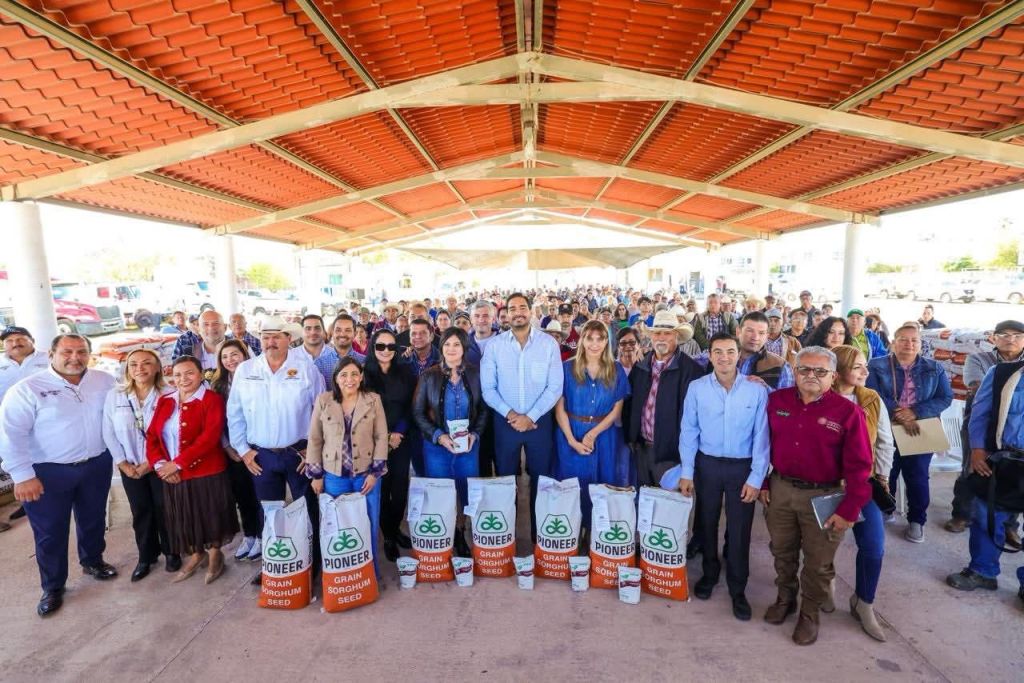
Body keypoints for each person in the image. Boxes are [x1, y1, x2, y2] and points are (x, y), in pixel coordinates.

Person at [760, 346, 872, 645]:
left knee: (818, 562)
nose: (811, 375)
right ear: (794, 372)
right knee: (781, 551)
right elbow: (761, 446)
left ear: (833, 376)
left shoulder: (848, 412)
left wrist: (849, 509)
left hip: (825, 495)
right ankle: (785, 598)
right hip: (781, 489)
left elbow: (860, 466)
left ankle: (809, 614)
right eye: (804, 369)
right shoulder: (777, 401)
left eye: (820, 371)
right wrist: (764, 483)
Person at [1, 335, 117, 616]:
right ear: (51, 354)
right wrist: (22, 475)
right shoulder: (27, 389)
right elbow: (11, 434)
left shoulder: (104, 381)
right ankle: (53, 586)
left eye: (81, 352)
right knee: (50, 531)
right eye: (67, 352)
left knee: (93, 519)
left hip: (96, 465)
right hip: (47, 472)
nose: (75, 358)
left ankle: (93, 561)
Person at [226, 316, 326, 584]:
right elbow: (235, 413)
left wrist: (313, 449)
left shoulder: (306, 369)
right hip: (261, 455)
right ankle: (275, 563)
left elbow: (321, 412)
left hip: (299, 453)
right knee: (268, 511)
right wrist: (243, 450)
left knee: (308, 508)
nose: (270, 342)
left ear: (288, 339)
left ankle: (313, 563)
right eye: (265, 337)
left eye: (276, 337)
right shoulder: (246, 370)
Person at [678, 332, 769, 621]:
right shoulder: (697, 388)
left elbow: (762, 436)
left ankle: (738, 588)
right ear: (710, 355)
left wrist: (756, 478)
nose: (724, 357)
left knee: (740, 530)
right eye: (718, 351)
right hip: (707, 465)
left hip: (742, 468)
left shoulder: (755, 390)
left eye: (730, 351)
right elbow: (689, 430)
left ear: (739, 355)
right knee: (706, 523)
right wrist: (687, 471)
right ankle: (709, 573)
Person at [147, 356, 238, 584]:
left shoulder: (212, 399)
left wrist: (177, 463)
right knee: (185, 517)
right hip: (173, 473)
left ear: (200, 374)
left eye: (189, 373)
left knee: (210, 514)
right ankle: (197, 554)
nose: (183, 379)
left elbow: (210, 437)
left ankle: (215, 555)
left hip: (206, 471)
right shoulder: (165, 400)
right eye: (178, 374)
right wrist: (160, 466)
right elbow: (152, 436)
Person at [480, 292, 563, 540]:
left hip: (540, 424)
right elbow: (488, 389)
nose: (518, 312)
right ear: (506, 314)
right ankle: (506, 538)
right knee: (506, 482)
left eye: (522, 307)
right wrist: (512, 414)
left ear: (531, 311)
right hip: (505, 422)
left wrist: (531, 416)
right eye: (513, 308)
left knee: (542, 480)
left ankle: (541, 539)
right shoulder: (495, 346)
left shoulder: (548, 344)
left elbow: (555, 387)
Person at [945, 356, 1024, 601]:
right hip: (1004, 459)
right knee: (986, 516)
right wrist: (978, 449)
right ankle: (983, 571)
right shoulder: (1001, 373)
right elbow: (980, 413)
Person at [867, 322, 953, 543]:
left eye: (914, 340)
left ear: (921, 344)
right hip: (886, 427)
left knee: (917, 476)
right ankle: (886, 509)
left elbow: (945, 398)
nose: (909, 344)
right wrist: (899, 413)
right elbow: (871, 394)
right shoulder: (876, 365)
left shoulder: (934, 367)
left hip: (920, 427)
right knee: (885, 471)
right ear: (893, 343)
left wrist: (915, 412)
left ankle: (917, 520)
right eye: (903, 339)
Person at [830, 345, 893, 641]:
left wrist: (882, 475)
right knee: (823, 543)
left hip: (862, 484)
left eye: (865, 365)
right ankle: (825, 582)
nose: (866, 372)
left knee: (873, 546)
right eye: (857, 367)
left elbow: (884, 442)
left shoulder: (871, 399)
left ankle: (864, 602)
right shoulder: (819, 397)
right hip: (826, 485)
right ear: (839, 370)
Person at [307, 357, 388, 577]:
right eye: (343, 375)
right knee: (337, 525)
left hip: (366, 476)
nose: (349, 379)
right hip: (334, 476)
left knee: (368, 524)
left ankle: (369, 575)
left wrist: (375, 473)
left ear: (361, 377)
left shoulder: (373, 400)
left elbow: (381, 437)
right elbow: (315, 438)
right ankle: (341, 576)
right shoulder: (324, 400)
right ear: (336, 378)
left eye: (354, 374)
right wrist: (316, 475)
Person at [102, 349, 178, 581]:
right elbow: (108, 431)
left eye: (146, 363)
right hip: (130, 467)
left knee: (165, 509)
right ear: (127, 369)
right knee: (140, 511)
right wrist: (122, 462)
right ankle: (146, 556)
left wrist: (151, 463)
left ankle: (172, 551)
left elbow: (173, 433)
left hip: (160, 465)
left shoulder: (170, 393)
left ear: (157, 367)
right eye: (134, 364)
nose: (140, 368)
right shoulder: (116, 395)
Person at [414, 328, 487, 558]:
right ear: (441, 347)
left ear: (464, 348)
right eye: (447, 344)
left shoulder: (475, 374)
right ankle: (444, 535)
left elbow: (483, 410)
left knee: (465, 491)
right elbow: (418, 413)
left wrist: (475, 434)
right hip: (437, 448)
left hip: (467, 447)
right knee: (441, 492)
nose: (451, 349)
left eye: (456, 344)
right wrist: (438, 435)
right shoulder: (429, 376)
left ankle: (460, 532)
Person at [946, 320, 1024, 536]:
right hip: (979, 424)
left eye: (1017, 336)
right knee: (973, 469)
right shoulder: (980, 359)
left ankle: (1009, 526)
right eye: (1005, 335)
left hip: (1013, 434)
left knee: (1014, 476)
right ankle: (962, 514)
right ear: (993, 338)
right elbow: (976, 387)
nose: (1011, 340)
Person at [555, 320, 629, 536]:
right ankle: (573, 533)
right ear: (582, 340)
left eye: (600, 339)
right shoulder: (566, 368)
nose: (595, 344)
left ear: (607, 341)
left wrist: (594, 433)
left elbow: (616, 411)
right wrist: (572, 440)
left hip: (604, 435)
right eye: (590, 338)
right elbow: (559, 409)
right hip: (571, 432)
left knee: (602, 483)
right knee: (573, 485)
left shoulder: (616, 369)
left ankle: (595, 534)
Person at [626, 310, 706, 487]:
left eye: (667, 333)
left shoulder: (691, 370)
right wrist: (631, 437)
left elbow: (697, 418)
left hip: (672, 456)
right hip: (641, 449)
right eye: (657, 333)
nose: (661, 338)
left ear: (677, 336)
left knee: (670, 502)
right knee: (644, 500)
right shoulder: (640, 366)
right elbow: (629, 404)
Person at [363, 329, 417, 561]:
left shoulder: (405, 372)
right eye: (380, 346)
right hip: (374, 442)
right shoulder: (363, 375)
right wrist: (383, 437)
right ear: (373, 348)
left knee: (400, 489)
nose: (386, 351)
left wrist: (398, 432)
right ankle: (388, 536)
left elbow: (411, 405)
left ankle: (394, 529)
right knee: (382, 490)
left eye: (391, 347)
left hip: (400, 439)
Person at [209, 339, 264, 562]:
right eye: (224, 357)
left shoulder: (257, 377)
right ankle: (249, 535)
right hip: (232, 449)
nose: (230, 360)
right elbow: (218, 421)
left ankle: (262, 535)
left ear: (244, 355)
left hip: (256, 445)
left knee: (259, 493)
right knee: (242, 494)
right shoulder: (218, 385)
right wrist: (228, 446)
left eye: (234, 354)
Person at [0, 325, 50, 530]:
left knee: (46, 462)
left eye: (20, 339)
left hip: (45, 423)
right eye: (9, 341)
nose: (15, 343)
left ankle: (47, 499)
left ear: (32, 341)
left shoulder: (49, 358)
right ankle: (27, 503)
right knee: (17, 462)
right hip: (10, 425)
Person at [737, 312, 795, 390]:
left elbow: (786, 397)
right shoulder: (722, 359)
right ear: (738, 332)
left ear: (767, 336)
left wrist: (766, 390)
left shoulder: (781, 366)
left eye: (761, 333)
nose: (755, 337)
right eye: (750, 331)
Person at [290, 314, 340, 387]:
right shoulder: (290, 356)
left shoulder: (336, 356)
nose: (313, 332)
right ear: (302, 332)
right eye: (308, 328)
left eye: (317, 328)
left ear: (324, 331)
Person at [467, 300, 499, 367]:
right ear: (471, 319)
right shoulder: (464, 343)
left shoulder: (505, 341)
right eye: (476, 316)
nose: (481, 320)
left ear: (493, 319)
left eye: (485, 316)